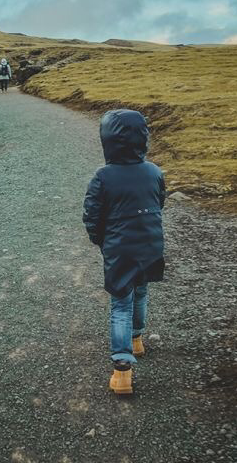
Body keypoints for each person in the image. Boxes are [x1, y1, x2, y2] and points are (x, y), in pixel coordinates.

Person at [82, 109, 166, 395]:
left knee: (121, 303)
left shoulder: (104, 176)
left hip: (120, 248)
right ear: (143, 138)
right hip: (150, 244)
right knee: (140, 291)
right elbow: (159, 203)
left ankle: (122, 372)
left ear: (108, 140)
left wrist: (101, 241)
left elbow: (92, 216)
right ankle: (137, 340)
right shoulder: (154, 171)